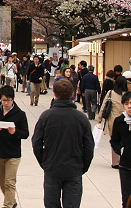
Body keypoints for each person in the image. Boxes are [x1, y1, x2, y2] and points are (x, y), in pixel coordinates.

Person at [32, 79, 94, 208]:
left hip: (52, 168)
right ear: (72, 94)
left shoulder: (46, 116)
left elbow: (36, 143)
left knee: (51, 204)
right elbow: (89, 146)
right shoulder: (81, 118)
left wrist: (45, 162)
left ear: (54, 94)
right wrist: (83, 166)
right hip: (74, 169)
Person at [0, 85, 29, 208]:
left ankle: (8, 205)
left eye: (9, 100)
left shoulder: (20, 114)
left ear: (13, 100)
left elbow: (25, 134)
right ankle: (13, 202)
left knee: (10, 182)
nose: (6, 103)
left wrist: (15, 132)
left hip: (13, 153)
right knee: (2, 182)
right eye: (4, 100)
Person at [98, 75, 128, 168]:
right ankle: (124, 159)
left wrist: (99, 118)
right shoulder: (127, 95)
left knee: (114, 140)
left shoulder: (111, 93)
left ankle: (115, 161)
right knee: (124, 140)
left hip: (113, 120)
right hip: (125, 120)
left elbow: (103, 106)